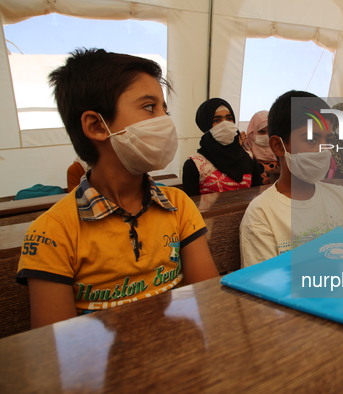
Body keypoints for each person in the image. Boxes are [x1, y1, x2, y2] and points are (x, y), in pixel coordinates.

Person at [16, 48, 218, 328]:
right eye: (149, 107)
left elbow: (209, 303)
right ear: (96, 125)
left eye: (164, 110)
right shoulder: (53, 233)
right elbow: (57, 350)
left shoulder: (178, 205)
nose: (164, 121)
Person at [239, 91, 343, 267]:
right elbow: (263, 284)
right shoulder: (262, 214)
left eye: (328, 140)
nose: (323, 150)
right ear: (278, 146)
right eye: (311, 139)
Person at [182, 98, 263, 196]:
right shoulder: (195, 164)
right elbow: (190, 205)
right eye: (217, 120)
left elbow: (257, 194)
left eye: (229, 119)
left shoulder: (249, 158)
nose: (225, 124)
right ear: (205, 124)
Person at [243, 110, 280, 184]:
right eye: (262, 132)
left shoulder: (281, 149)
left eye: (269, 131)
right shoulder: (244, 150)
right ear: (252, 132)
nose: (266, 135)